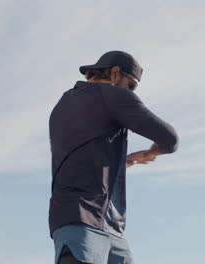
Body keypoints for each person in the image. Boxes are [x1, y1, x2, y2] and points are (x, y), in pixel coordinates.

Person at [48, 50, 179, 264]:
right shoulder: (111, 95)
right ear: (115, 73)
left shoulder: (61, 106)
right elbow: (170, 139)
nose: (132, 92)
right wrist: (154, 150)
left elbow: (85, 156)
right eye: (132, 85)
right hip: (90, 227)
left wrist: (131, 160)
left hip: (76, 221)